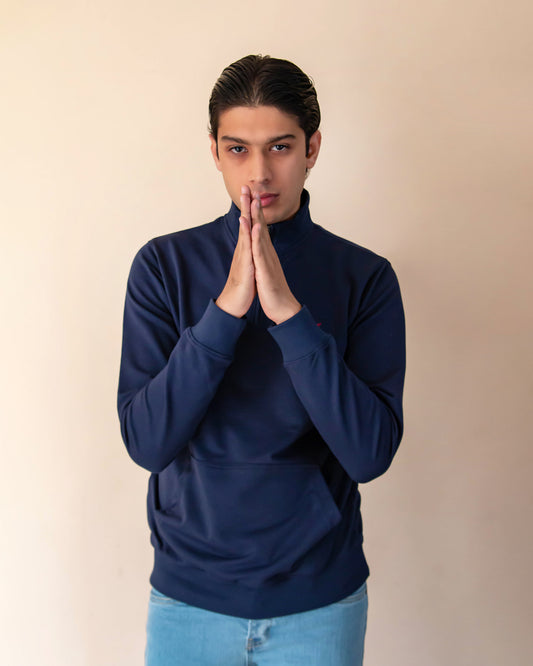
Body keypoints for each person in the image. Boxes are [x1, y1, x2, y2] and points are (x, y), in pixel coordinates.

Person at [117, 54, 406, 665]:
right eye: (238, 149)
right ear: (215, 152)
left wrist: (290, 316)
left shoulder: (365, 277)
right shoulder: (162, 266)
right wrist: (225, 311)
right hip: (189, 600)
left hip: (320, 604)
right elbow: (147, 442)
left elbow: (369, 454)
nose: (259, 172)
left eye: (279, 146)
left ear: (312, 147)